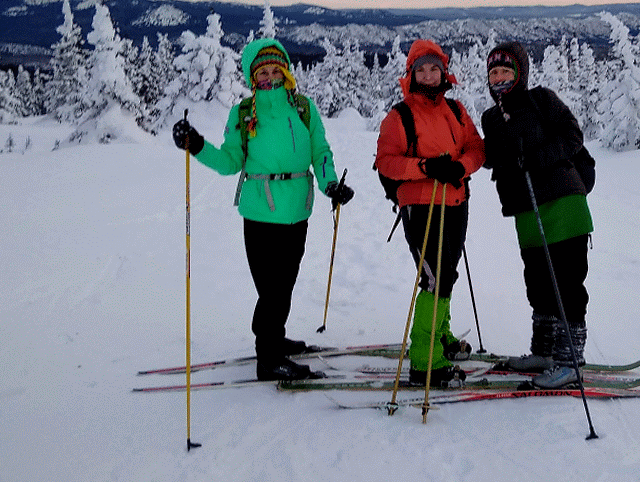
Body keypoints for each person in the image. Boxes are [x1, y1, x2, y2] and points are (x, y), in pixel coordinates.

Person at [171, 38, 354, 381]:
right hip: (259, 211)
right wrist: (196, 146)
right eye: (262, 72)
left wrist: (331, 183)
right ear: (252, 77)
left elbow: (321, 151)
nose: (270, 76)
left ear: (285, 70)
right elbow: (229, 162)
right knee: (271, 288)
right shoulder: (243, 113)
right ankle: (268, 356)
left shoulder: (303, 107)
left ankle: (275, 337)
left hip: (298, 209)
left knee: (284, 283)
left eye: (275, 69)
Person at [480, 41, 594, 389]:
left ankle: (569, 361)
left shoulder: (542, 99)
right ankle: (544, 352)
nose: (499, 77)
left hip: (563, 203)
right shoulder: (491, 117)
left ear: (521, 73)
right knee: (539, 284)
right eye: (494, 72)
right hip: (526, 209)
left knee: (566, 284)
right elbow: (493, 157)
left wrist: (537, 157)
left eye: (506, 70)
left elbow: (572, 135)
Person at [375, 39, 485, 386]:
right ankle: (425, 361)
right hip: (421, 206)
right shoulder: (400, 115)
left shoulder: (456, 110)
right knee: (435, 278)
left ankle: (440, 335)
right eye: (420, 69)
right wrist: (425, 167)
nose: (427, 75)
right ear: (412, 73)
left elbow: (476, 148)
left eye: (433, 68)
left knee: (446, 274)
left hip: (454, 201)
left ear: (442, 72)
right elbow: (386, 162)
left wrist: (460, 167)